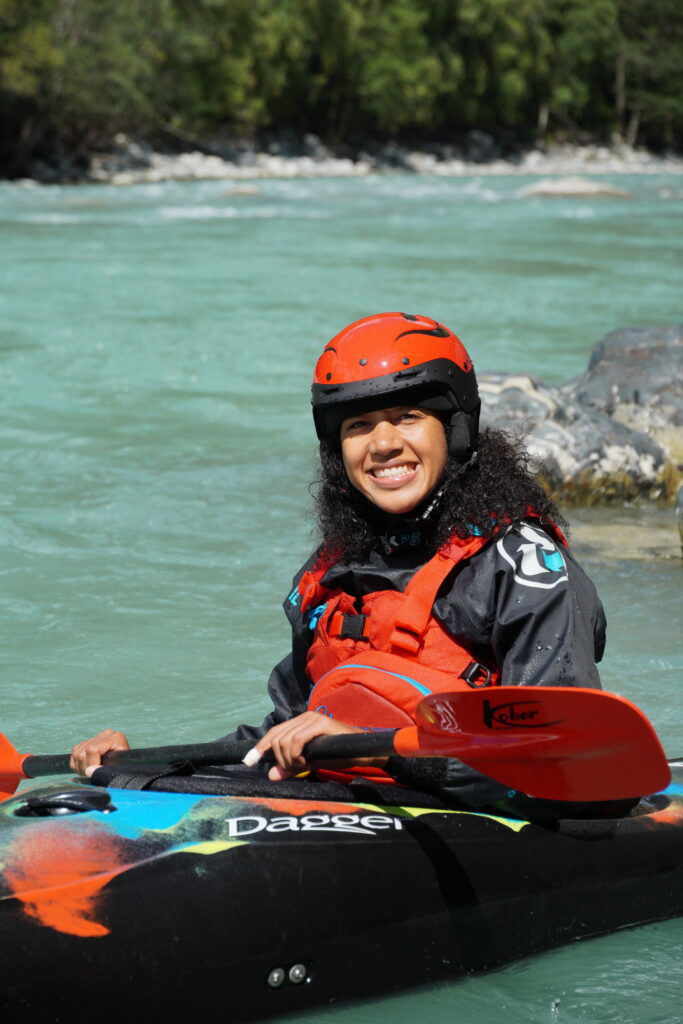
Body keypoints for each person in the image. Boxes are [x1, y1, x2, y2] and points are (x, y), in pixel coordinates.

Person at [71, 312, 607, 814]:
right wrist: (140, 764)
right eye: (359, 426)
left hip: (471, 808)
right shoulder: (332, 573)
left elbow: (565, 768)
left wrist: (381, 754)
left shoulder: (521, 566)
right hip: (356, 798)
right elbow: (279, 736)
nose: (384, 444)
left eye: (408, 418)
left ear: (455, 429)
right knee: (118, 788)